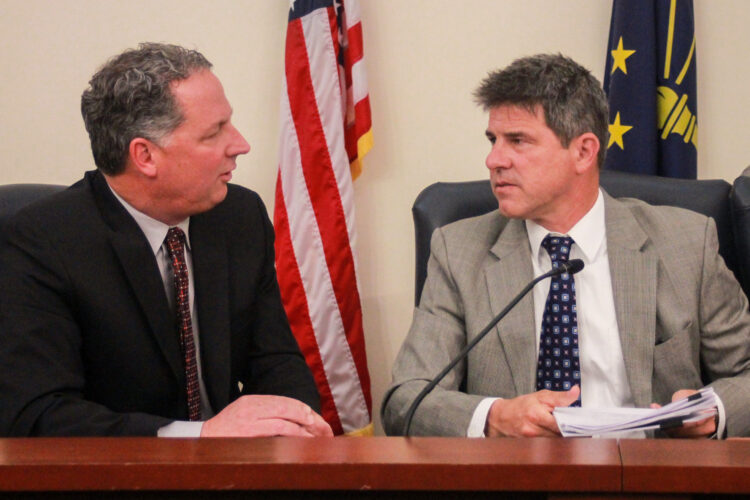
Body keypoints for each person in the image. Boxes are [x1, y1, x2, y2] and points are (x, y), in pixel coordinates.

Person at [382, 53, 750, 438]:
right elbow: (405, 400)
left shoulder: (686, 243)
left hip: (649, 479)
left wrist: (713, 411)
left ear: (583, 151)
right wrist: (495, 416)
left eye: (518, 141)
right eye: (493, 140)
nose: (493, 159)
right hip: (516, 481)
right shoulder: (459, 252)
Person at [0, 43, 332, 438]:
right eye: (214, 133)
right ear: (145, 156)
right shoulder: (41, 242)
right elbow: (38, 414)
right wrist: (196, 436)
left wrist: (297, 427)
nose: (240, 144)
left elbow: (277, 363)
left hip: (237, 471)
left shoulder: (239, 216)